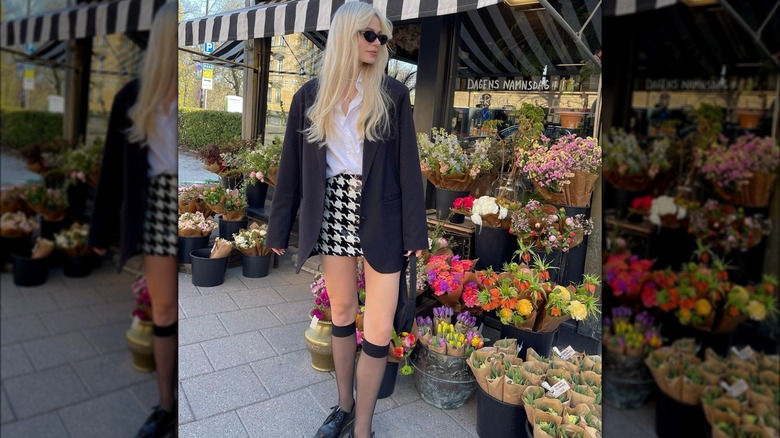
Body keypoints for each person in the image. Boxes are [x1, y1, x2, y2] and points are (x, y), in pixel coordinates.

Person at [266, 3, 428, 437]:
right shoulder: (309, 97)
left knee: (378, 324)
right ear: (345, 36)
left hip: (383, 210)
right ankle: (343, 407)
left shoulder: (392, 94)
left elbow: (409, 167)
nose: (378, 44)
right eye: (369, 35)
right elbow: (291, 170)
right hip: (332, 206)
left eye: (382, 37)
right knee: (341, 311)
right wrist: (278, 228)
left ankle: (363, 427)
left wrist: (415, 231)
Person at [87, 3, 178, 437]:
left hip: (188, 204)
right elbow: (112, 172)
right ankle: (165, 405)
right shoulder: (133, 98)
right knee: (163, 308)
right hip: (157, 205)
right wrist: (100, 231)